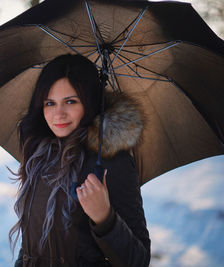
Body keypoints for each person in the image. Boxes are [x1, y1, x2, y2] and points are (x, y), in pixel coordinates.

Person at [9, 54, 150, 267]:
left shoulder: (111, 161)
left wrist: (105, 219)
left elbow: (138, 261)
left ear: (89, 102)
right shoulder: (40, 159)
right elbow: (33, 247)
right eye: (50, 103)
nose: (58, 114)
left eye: (70, 101)